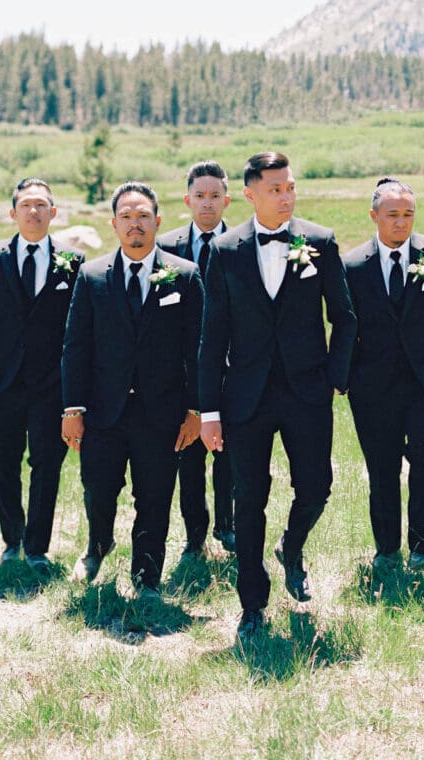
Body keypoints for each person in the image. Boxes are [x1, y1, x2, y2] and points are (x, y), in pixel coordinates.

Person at [198, 152, 356, 636]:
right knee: (249, 499)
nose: (286, 196)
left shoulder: (321, 242)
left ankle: (291, 545)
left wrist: (334, 378)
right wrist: (209, 410)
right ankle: (252, 604)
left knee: (316, 486)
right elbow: (212, 336)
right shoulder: (224, 251)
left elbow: (344, 318)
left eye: (290, 188)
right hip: (244, 397)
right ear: (249, 194)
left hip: (307, 392)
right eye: (275, 189)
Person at [61, 181, 203, 596]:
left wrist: (195, 410)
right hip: (104, 411)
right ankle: (97, 547)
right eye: (126, 217)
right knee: (98, 490)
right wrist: (73, 409)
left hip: (163, 413)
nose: (135, 224)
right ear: (114, 224)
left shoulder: (185, 275)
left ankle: (146, 578)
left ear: (158, 222)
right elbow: (75, 345)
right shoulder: (91, 277)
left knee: (155, 498)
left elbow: (197, 349)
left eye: (143, 216)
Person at [343, 178, 424, 573]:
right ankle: (386, 550)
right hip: (372, 388)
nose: (401, 223)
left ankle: (422, 549)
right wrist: (346, 377)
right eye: (393, 215)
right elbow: (342, 324)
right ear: (374, 216)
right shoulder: (351, 266)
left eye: (408, 215)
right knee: (381, 468)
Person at [0, 177, 84, 569]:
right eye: (26, 205)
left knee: (47, 463)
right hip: (0, 379)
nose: (34, 212)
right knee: (5, 461)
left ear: (54, 212)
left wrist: (75, 383)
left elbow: (79, 326)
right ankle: (11, 539)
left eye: (41, 205)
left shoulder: (73, 260)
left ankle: (36, 548)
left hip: (52, 382)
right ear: (13, 213)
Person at [157, 160, 235, 556]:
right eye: (200, 197)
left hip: (232, 368)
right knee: (188, 460)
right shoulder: (166, 247)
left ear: (227, 199)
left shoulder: (241, 244)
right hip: (183, 373)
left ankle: (229, 525)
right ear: (188, 200)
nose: (208, 204)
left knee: (230, 454)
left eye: (215, 196)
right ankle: (194, 537)